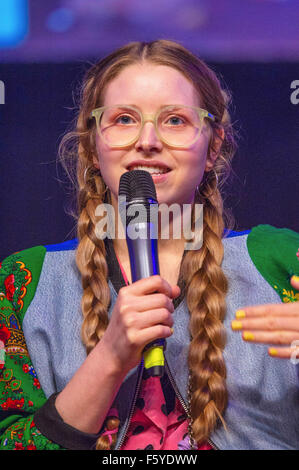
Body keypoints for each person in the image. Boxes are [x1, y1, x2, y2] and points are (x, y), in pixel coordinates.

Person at [0, 39, 299, 451]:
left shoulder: (280, 260)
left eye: (175, 120)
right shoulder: (23, 282)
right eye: (124, 119)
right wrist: (111, 356)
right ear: (91, 146)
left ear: (212, 146)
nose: (148, 140)